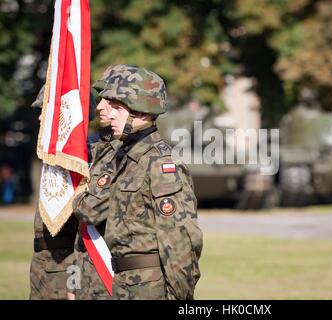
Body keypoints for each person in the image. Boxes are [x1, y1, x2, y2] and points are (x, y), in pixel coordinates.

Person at [73, 64, 203, 300]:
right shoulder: (120, 156)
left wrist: (181, 298)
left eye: (116, 106)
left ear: (141, 111)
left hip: (146, 289)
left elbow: (180, 241)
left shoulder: (160, 164)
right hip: (119, 283)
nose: (105, 111)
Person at [72, 76, 121, 300]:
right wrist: (73, 282)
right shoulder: (95, 149)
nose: (99, 106)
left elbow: (89, 211)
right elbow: (79, 236)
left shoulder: (121, 154)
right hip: (84, 272)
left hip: (110, 274)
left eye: (108, 100)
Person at [29, 85, 78, 300]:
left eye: (46, 112)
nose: (40, 118)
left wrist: (75, 281)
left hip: (65, 268)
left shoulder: (79, 161)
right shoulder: (53, 157)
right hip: (45, 263)